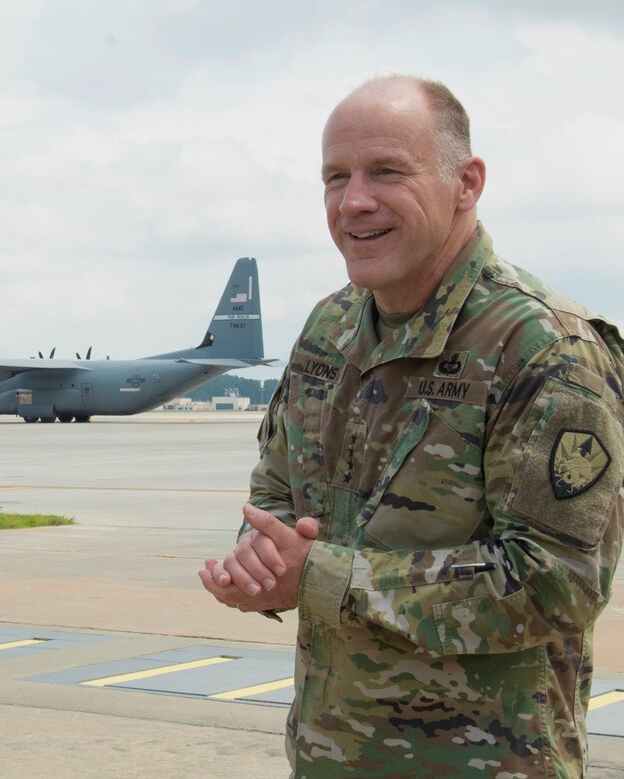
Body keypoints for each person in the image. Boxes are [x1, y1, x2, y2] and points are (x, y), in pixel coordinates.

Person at [199, 75, 624, 778]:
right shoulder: (329, 329)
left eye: (387, 172)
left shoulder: (547, 350)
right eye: (335, 178)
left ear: (467, 182)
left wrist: (323, 578)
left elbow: (559, 583)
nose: (353, 201)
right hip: (330, 755)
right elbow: (275, 495)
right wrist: (261, 560)